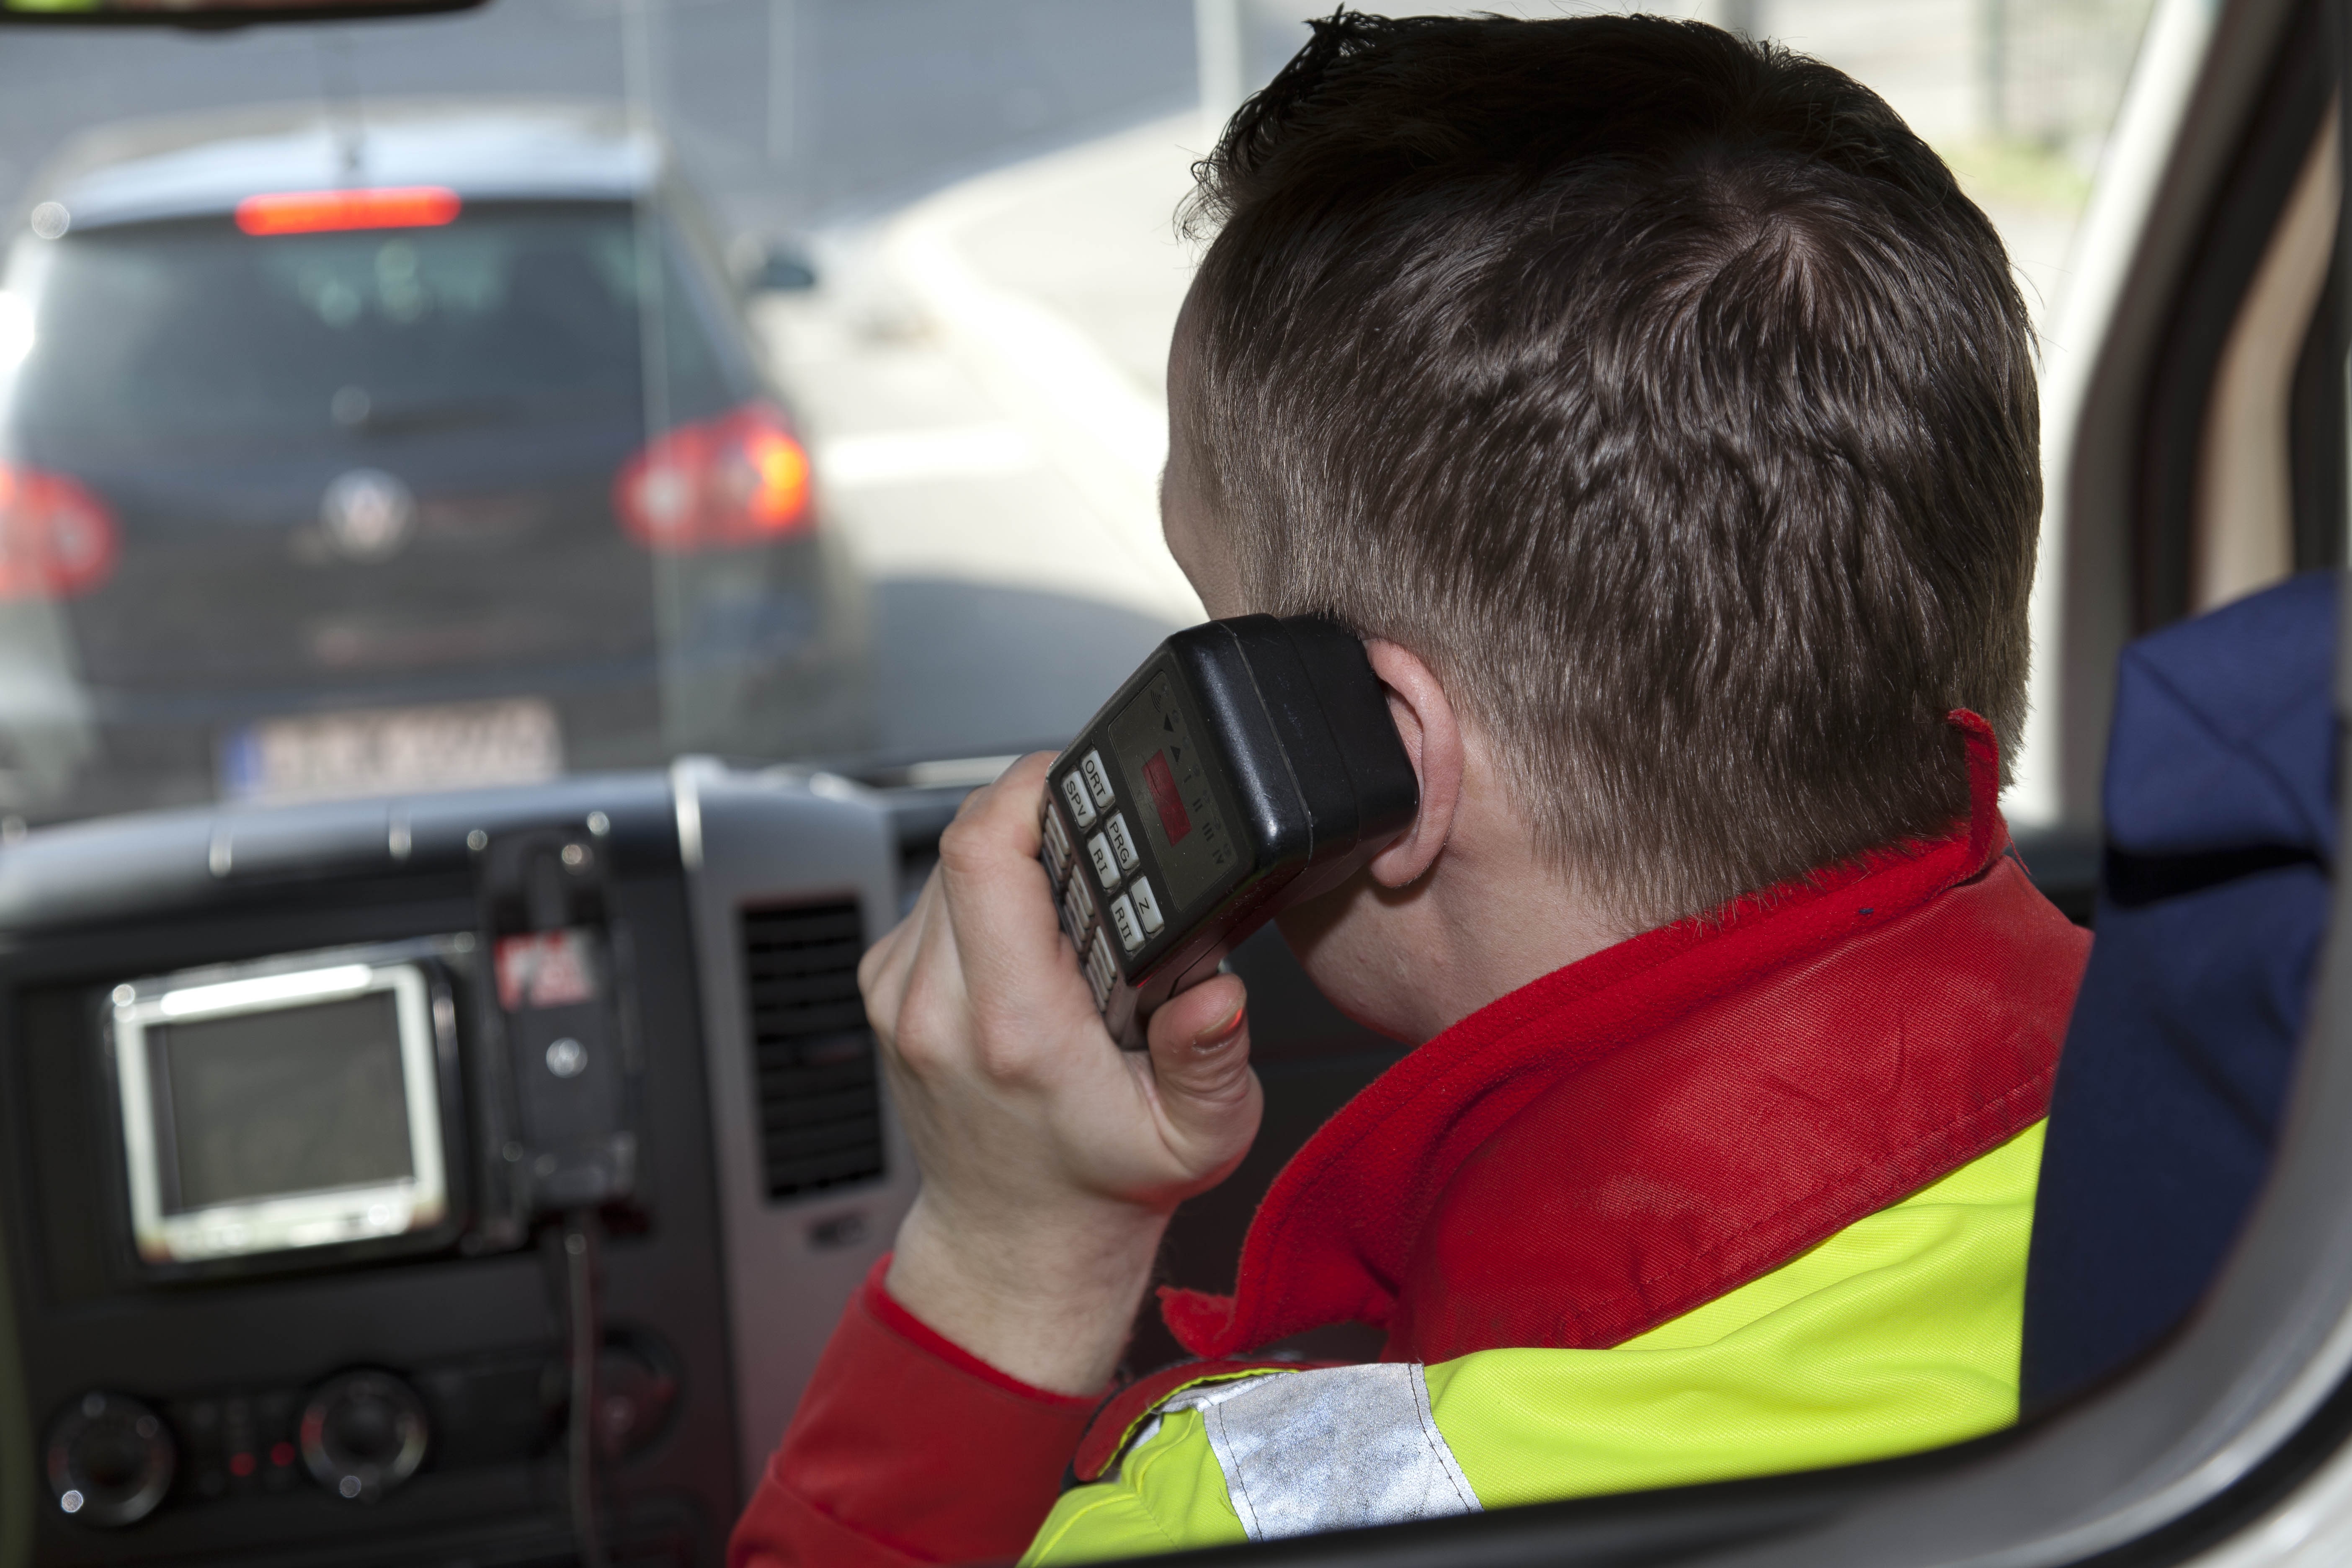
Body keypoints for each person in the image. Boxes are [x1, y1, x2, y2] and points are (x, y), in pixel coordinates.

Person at [731, 12, 2092, 1565]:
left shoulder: (1281, 1514)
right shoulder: (2270, 1123)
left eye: (1207, 613)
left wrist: (1003, 1261)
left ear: (1386, 754)